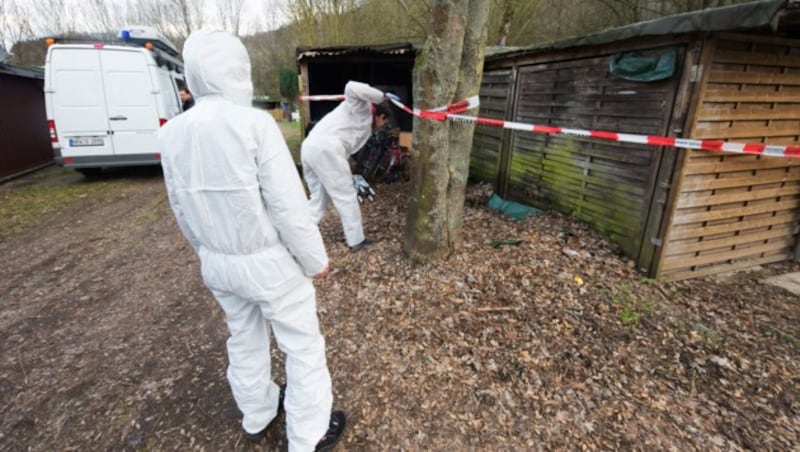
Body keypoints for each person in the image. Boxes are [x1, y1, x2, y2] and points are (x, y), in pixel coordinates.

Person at [158, 30, 345, 452]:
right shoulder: (254, 124)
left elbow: (181, 208)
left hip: (218, 264)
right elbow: (288, 207)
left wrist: (205, 252)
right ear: (237, 69)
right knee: (302, 347)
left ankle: (257, 413)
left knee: (243, 336)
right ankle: (308, 435)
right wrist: (315, 258)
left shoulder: (171, 134)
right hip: (268, 264)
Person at [300, 81, 386, 251]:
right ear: (381, 116)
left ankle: (299, 234)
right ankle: (356, 240)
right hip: (326, 149)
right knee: (346, 196)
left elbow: (349, 143)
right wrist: (380, 97)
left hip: (310, 148)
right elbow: (351, 87)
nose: (384, 126)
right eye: (385, 122)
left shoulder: (364, 122)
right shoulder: (361, 107)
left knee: (318, 198)